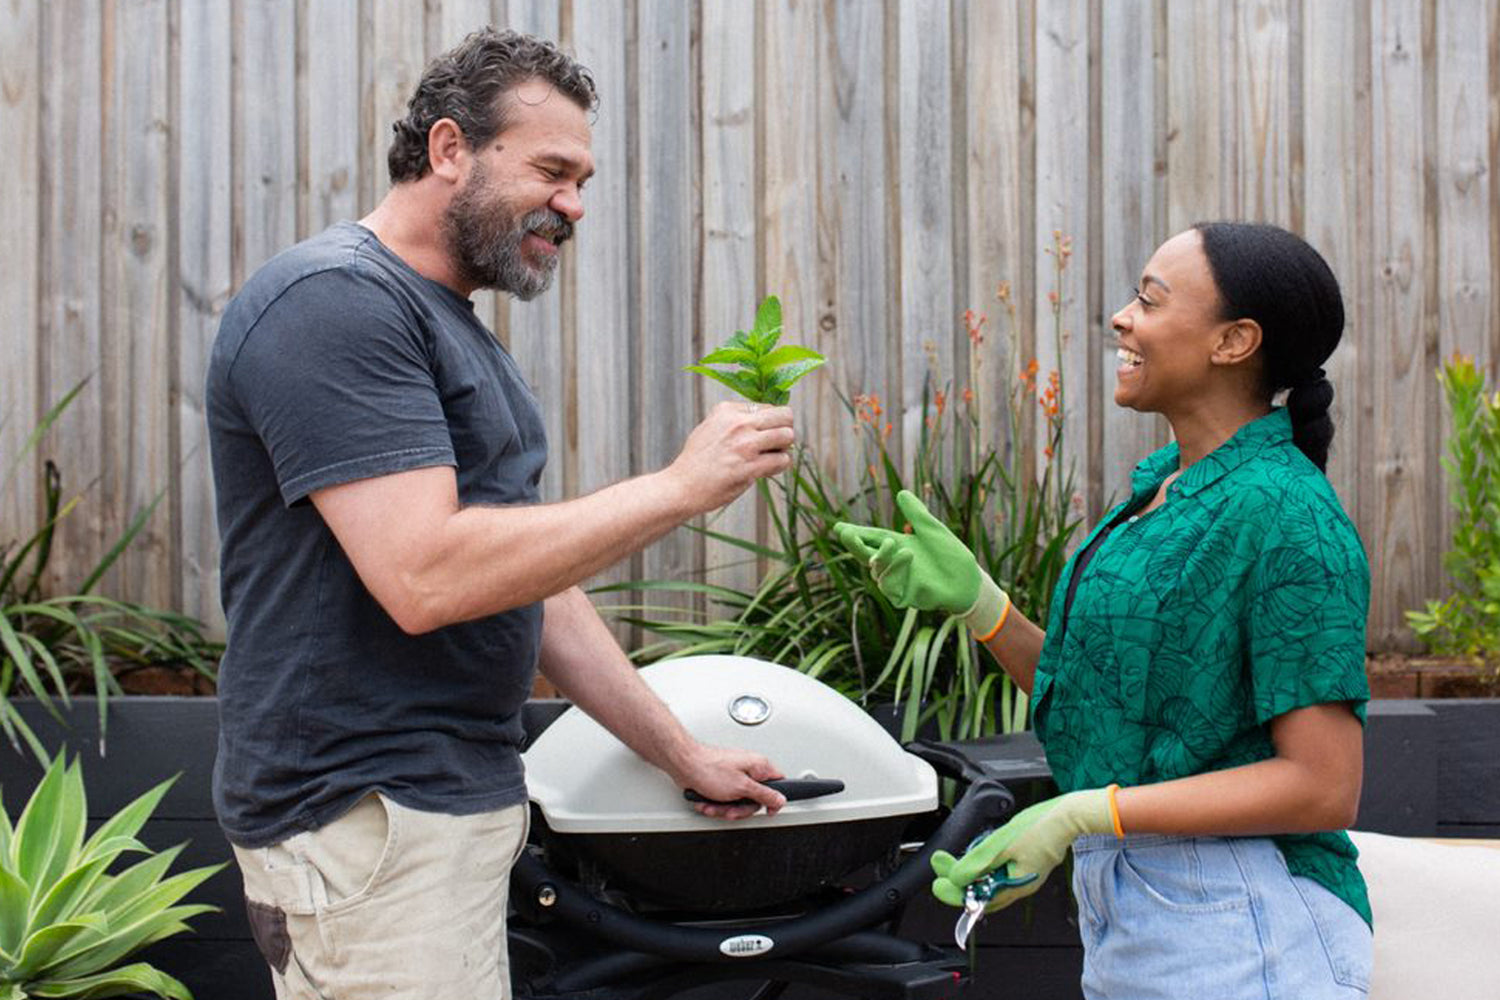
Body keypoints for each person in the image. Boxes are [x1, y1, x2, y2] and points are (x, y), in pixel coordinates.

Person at [206, 28, 794, 1000]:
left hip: (440, 814)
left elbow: (531, 583)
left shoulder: (443, 325)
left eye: (584, 181)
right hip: (366, 822)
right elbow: (427, 575)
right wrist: (682, 488)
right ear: (449, 149)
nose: (572, 205)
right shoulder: (332, 307)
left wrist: (681, 752)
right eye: (553, 171)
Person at [837, 222, 1373, 998]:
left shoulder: (1287, 514)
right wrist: (983, 607)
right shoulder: (1162, 494)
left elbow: (1324, 786)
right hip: (1142, 907)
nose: (1122, 317)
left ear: (1234, 341)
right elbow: (1108, 703)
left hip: (1246, 921)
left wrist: (1085, 814)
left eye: (1149, 302)